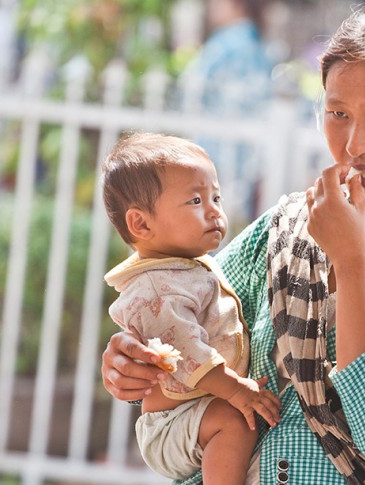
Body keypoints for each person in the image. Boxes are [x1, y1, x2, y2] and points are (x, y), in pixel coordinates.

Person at [101, 2, 365, 484]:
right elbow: (179, 317)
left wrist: (351, 262)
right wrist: (129, 362)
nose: (354, 144)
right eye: (338, 112)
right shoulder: (283, 231)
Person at [102, 132, 281, 484]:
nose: (215, 210)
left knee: (234, 418)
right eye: (196, 200)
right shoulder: (155, 287)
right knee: (234, 420)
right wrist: (235, 389)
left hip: (195, 412)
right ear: (141, 223)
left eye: (216, 196)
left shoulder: (189, 268)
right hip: (171, 425)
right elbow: (184, 349)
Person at [181, 0, 274, 223]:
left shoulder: (222, 45)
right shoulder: (261, 48)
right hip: (247, 158)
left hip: (212, 149)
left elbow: (191, 92)